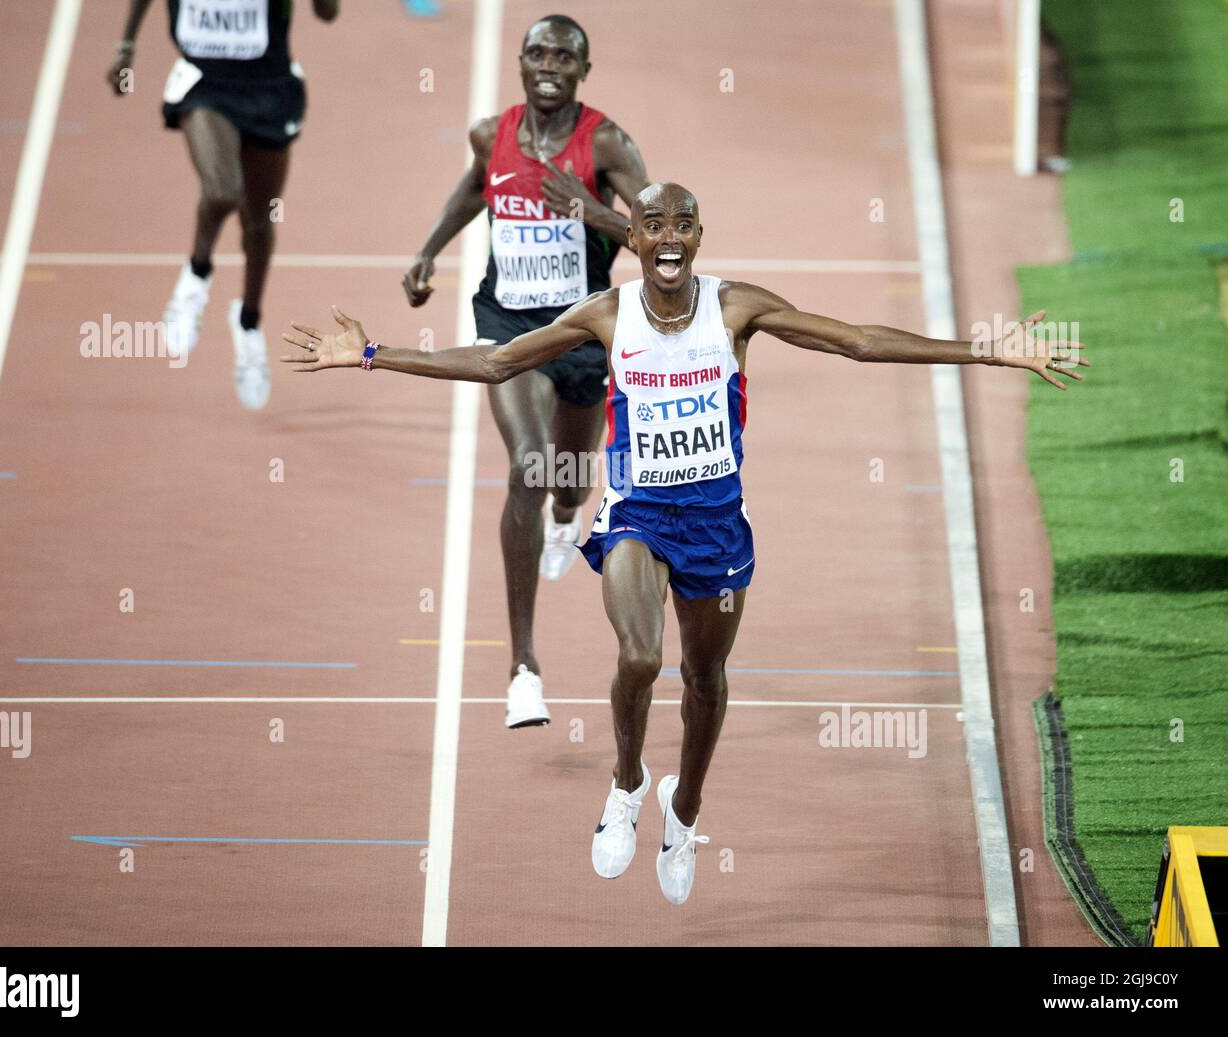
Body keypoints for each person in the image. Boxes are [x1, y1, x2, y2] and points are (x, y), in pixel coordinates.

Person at [281, 182, 1087, 905]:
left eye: (683, 223)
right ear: (631, 237)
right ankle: (627, 783)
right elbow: (497, 362)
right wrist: (373, 354)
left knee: (706, 676)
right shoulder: (607, 314)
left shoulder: (735, 309)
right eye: (652, 222)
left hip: (717, 527)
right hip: (638, 516)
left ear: (699, 235)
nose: (668, 236)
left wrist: (990, 349)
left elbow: (858, 341)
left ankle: (684, 808)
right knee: (639, 657)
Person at [402, 14, 650, 729]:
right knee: (529, 467)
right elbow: (474, 189)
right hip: (511, 323)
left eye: (564, 56)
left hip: (583, 329)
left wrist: (590, 210)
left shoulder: (604, 142)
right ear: (519, 62)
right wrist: (428, 251)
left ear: (584, 69)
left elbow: (656, 233)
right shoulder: (492, 134)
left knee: (570, 479)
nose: (549, 64)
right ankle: (522, 668)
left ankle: (570, 516)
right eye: (537, 52)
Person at [107, 0, 340, 410]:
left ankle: (248, 323)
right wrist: (126, 45)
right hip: (205, 82)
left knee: (259, 219)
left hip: (270, 87)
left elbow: (327, 13)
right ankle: (195, 277)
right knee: (221, 190)